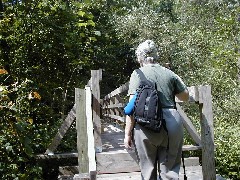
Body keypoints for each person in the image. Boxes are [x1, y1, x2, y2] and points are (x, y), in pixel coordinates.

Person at [124, 40, 189, 180]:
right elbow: (185, 97)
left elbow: (131, 108)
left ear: (140, 57)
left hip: (145, 125)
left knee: (147, 171)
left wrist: (127, 134)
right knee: (170, 172)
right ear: (156, 55)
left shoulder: (137, 74)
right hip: (171, 123)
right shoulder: (170, 73)